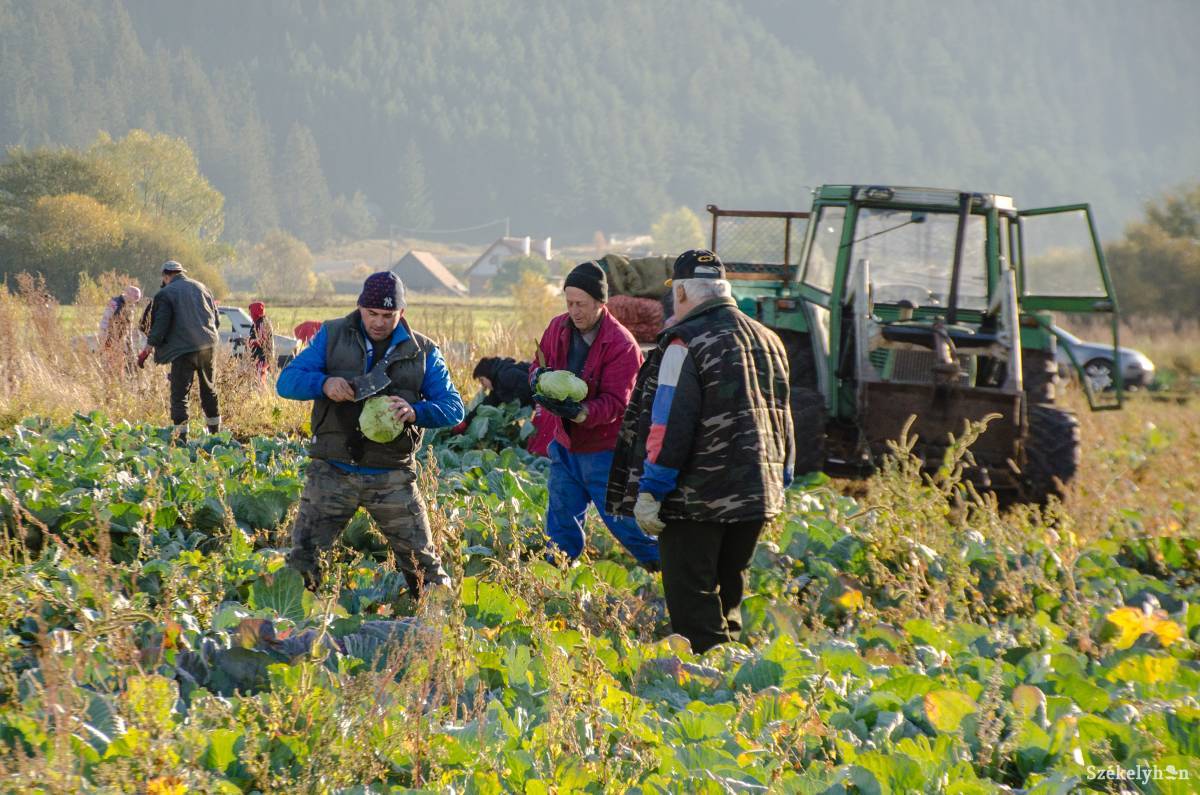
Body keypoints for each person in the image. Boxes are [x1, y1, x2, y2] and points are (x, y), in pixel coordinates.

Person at [607, 250, 795, 653]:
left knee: (694, 612)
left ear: (681, 294)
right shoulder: (770, 340)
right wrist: (782, 479)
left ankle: (712, 691)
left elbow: (668, 424)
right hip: (756, 497)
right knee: (728, 605)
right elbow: (783, 417)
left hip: (696, 500)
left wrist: (651, 490)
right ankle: (735, 687)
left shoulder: (684, 343)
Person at [276, 272, 464, 595]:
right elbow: (287, 381)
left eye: (388, 316)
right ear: (360, 306)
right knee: (303, 561)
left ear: (401, 313)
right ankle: (296, 631)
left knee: (424, 566)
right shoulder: (331, 335)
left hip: (391, 474)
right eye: (372, 313)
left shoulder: (424, 352)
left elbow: (454, 407)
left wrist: (415, 411)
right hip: (332, 469)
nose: (378, 322)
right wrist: (323, 384)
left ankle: (437, 632)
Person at [531, 261, 660, 570]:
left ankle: (665, 571)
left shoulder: (621, 345)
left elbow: (618, 403)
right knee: (560, 525)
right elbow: (536, 364)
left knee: (626, 526)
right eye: (569, 302)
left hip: (607, 452)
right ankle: (555, 580)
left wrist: (580, 412)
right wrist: (537, 380)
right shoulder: (557, 327)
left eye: (582, 304)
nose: (574, 311)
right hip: (565, 446)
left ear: (601, 303)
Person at [140, 261, 221, 440]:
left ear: (167, 276)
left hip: (183, 350)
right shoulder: (202, 287)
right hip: (208, 346)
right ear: (181, 273)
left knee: (180, 394)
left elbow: (160, 326)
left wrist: (147, 349)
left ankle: (182, 438)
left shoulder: (165, 294)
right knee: (209, 389)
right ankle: (216, 435)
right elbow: (216, 320)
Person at [98, 284, 142, 369]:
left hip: (121, 338)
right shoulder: (114, 303)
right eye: (135, 298)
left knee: (120, 361)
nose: (136, 302)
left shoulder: (131, 306)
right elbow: (105, 322)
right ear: (127, 294)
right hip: (108, 335)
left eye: (137, 299)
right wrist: (107, 337)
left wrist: (129, 343)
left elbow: (129, 325)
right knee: (108, 360)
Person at [247, 301, 275, 380]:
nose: (249, 314)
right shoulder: (258, 322)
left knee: (260, 381)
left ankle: (264, 392)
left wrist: (250, 341)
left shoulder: (262, 323)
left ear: (255, 311)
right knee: (259, 380)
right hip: (259, 356)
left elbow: (262, 340)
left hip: (262, 356)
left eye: (251, 312)